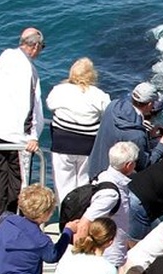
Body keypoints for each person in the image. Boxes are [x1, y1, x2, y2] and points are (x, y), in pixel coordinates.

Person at [46, 57, 111, 202]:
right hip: (87, 146)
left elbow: (50, 104)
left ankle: (66, 219)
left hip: (61, 144)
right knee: (83, 184)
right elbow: (107, 112)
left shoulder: (59, 90)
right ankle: (81, 218)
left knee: (63, 186)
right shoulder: (99, 94)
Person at [0, 28, 46, 214]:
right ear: (34, 46)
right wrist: (32, 135)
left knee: (1, 181)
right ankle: (12, 222)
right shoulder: (29, 70)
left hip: (0, 131)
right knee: (19, 184)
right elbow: (31, 105)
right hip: (17, 137)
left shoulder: (5, 57)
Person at [87, 81, 163, 177]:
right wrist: (162, 145)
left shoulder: (112, 106)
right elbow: (145, 165)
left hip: (94, 168)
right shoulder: (137, 135)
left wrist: (140, 124)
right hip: (108, 179)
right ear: (149, 105)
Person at [78, 141, 138, 268]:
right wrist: (81, 258)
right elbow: (84, 223)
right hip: (108, 257)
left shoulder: (104, 176)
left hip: (112, 251)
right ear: (128, 165)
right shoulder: (111, 194)